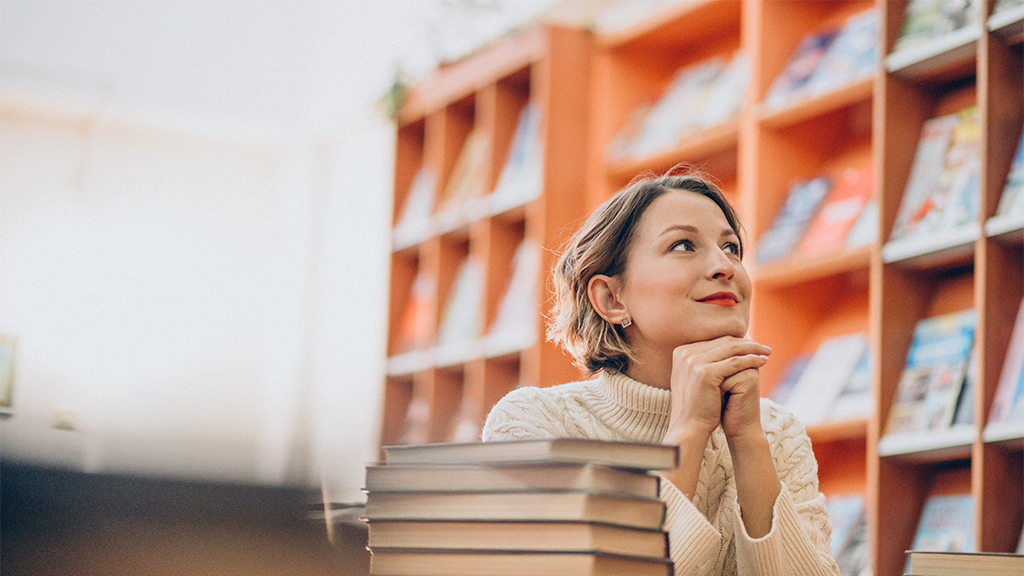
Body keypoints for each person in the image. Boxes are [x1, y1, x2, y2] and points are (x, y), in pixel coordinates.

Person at [482, 169, 840, 576]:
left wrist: (748, 442)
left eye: (732, 248)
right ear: (611, 298)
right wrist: (688, 429)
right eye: (684, 245)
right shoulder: (533, 424)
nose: (725, 266)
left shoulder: (776, 433)